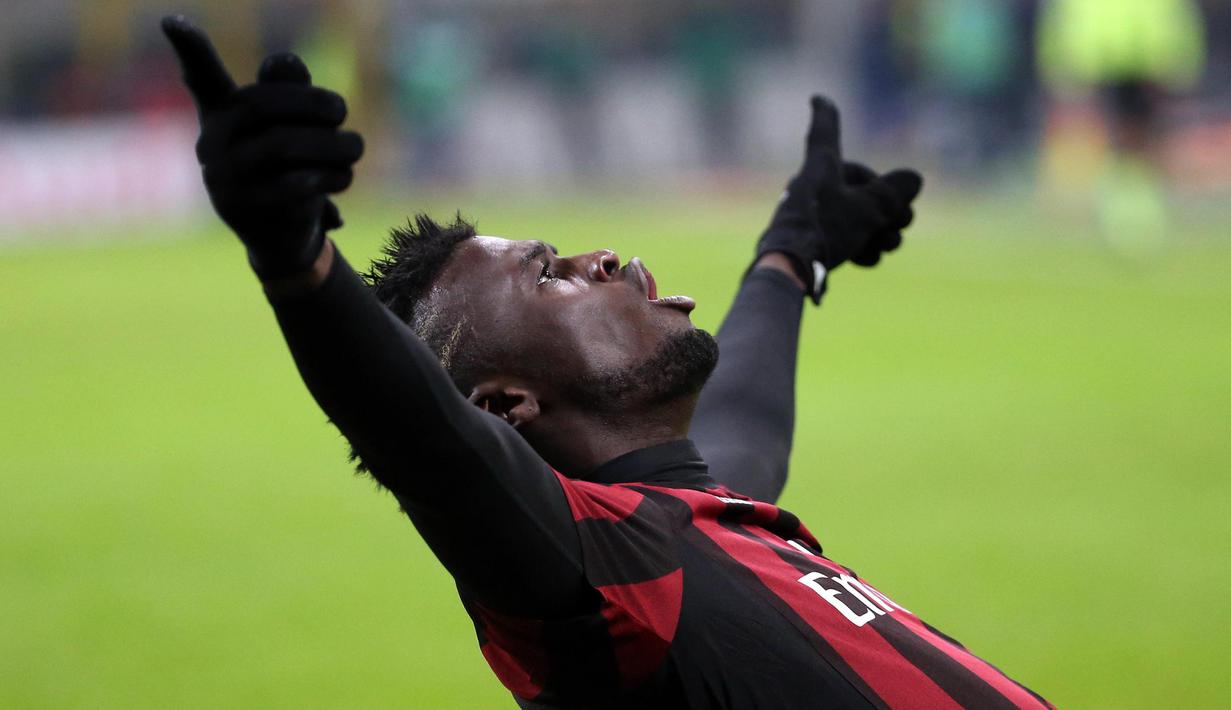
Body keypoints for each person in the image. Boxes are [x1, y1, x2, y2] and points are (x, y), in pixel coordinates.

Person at [162, 16, 1052, 709]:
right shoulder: (594, 580)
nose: (600, 260)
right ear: (505, 405)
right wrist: (298, 260)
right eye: (545, 275)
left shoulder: (683, 518)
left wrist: (792, 254)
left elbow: (741, 415)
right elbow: (417, 434)